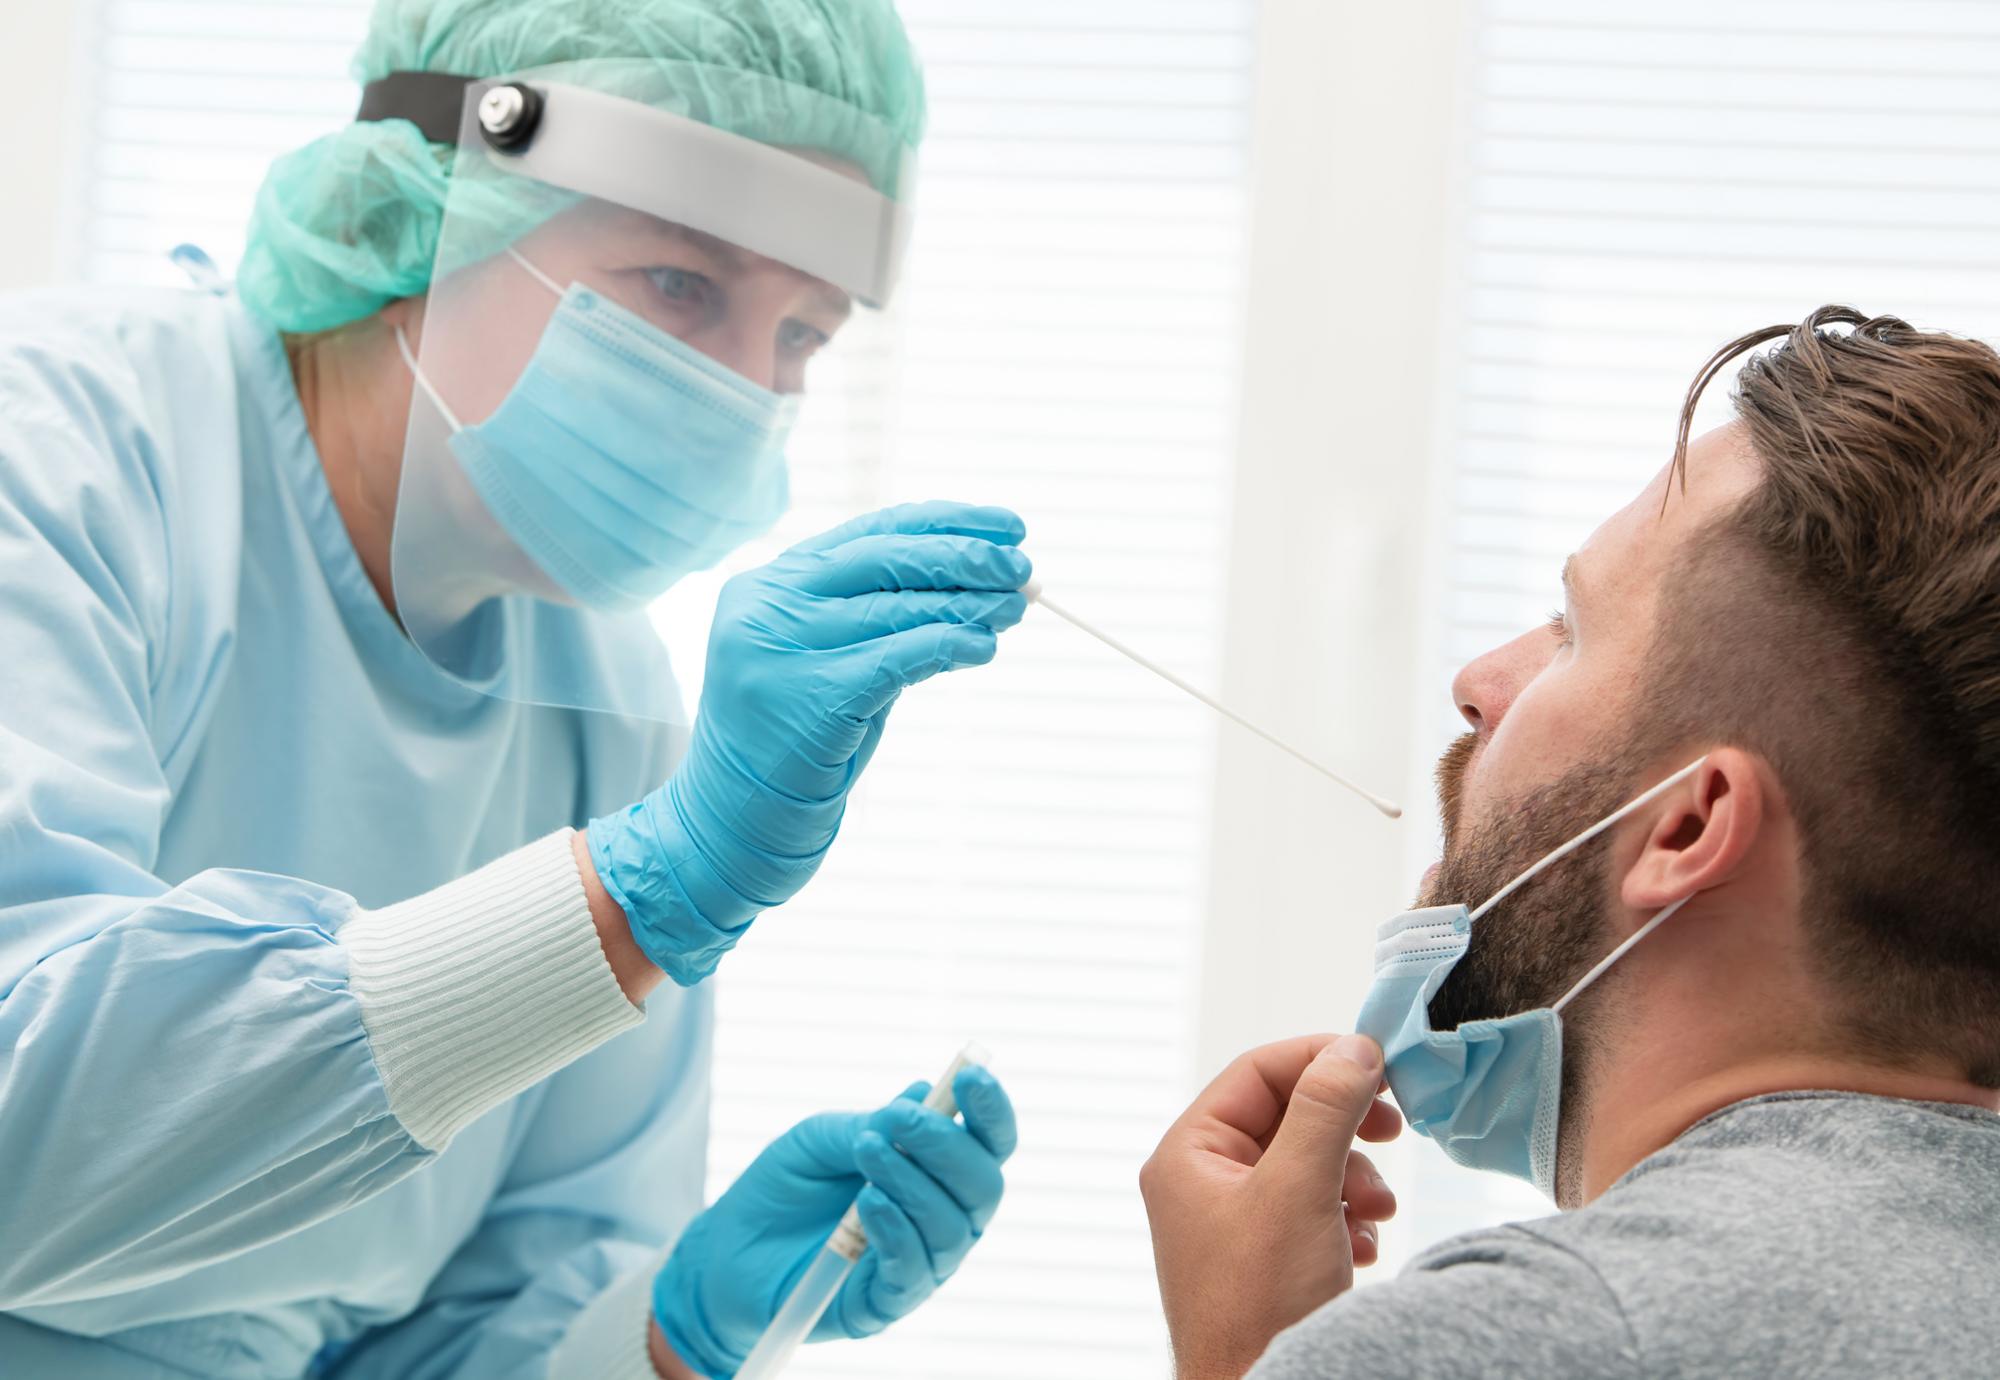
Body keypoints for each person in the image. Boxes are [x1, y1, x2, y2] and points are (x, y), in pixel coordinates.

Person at [0, 2, 1025, 1377]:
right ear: (436, 199)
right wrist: (630, 898)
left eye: (803, 337)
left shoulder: (611, 697)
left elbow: (451, 1340)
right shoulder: (62, 459)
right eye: (680, 285)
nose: (741, 392)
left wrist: (664, 1331)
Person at [1138, 307, 2000, 1378]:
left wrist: (1246, 1357)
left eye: (1568, 630)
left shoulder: (1518, 1341)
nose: (1477, 686)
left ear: (1684, 827)